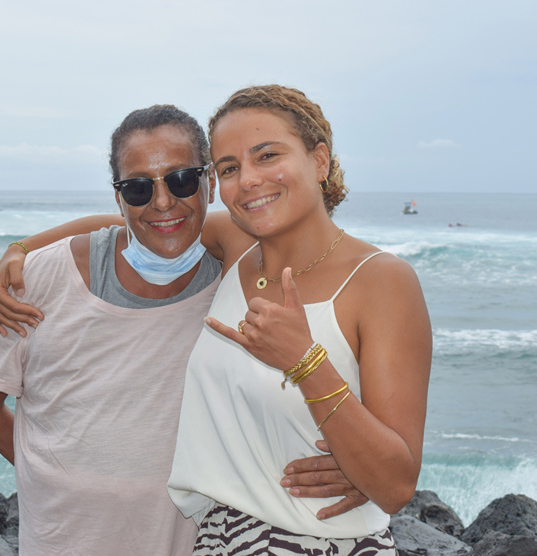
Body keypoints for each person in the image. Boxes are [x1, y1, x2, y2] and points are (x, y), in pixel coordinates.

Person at [0, 103, 362, 555]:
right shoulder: (36, 280)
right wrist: (52, 477)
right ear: (118, 196)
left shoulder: (236, 271)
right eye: (137, 188)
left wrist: (358, 470)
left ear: (209, 183)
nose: (163, 200)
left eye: (182, 179)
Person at [165, 85, 432, 554]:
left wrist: (306, 362)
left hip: (323, 542)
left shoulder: (381, 281)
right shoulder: (236, 246)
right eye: (229, 168)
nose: (248, 180)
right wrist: (28, 248)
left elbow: (395, 485)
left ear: (319, 161)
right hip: (220, 538)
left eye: (267, 155)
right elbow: (140, 224)